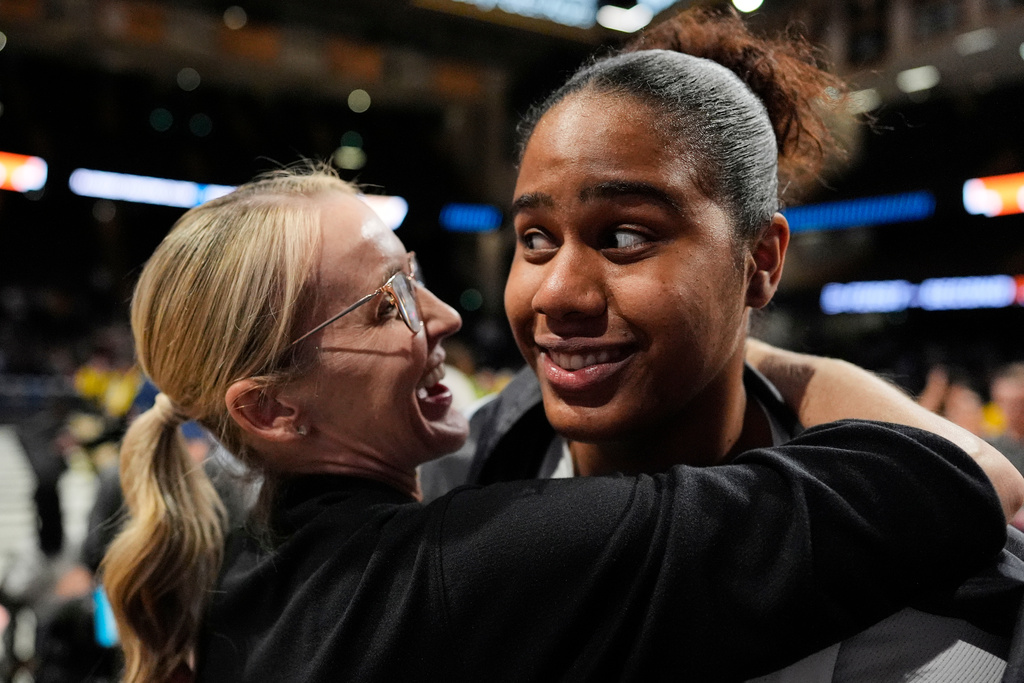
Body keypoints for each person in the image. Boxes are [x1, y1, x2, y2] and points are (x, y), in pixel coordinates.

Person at [98, 166, 1021, 683]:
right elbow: (955, 482)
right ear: (271, 407)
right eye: (387, 308)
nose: (446, 317)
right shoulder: (466, 570)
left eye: (411, 271)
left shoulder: (234, 572)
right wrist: (741, 339)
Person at [418, 7, 1024, 682]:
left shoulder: (953, 621)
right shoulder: (453, 479)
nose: (557, 292)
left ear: (760, 262)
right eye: (535, 238)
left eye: (623, 237)